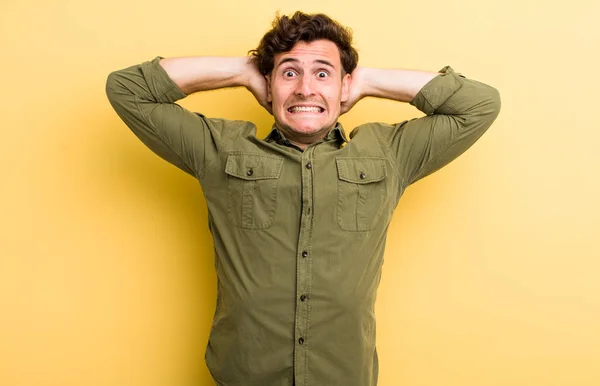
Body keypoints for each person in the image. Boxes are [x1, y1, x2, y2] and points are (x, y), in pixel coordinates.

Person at [106, 11, 500, 386]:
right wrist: (241, 71)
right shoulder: (221, 150)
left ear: (344, 84)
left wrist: (366, 80)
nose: (305, 88)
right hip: (245, 375)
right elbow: (127, 89)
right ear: (268, 84)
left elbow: (479, 105)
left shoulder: (389, 153)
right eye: (289, 72)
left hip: (342, 375)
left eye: (323, 74)